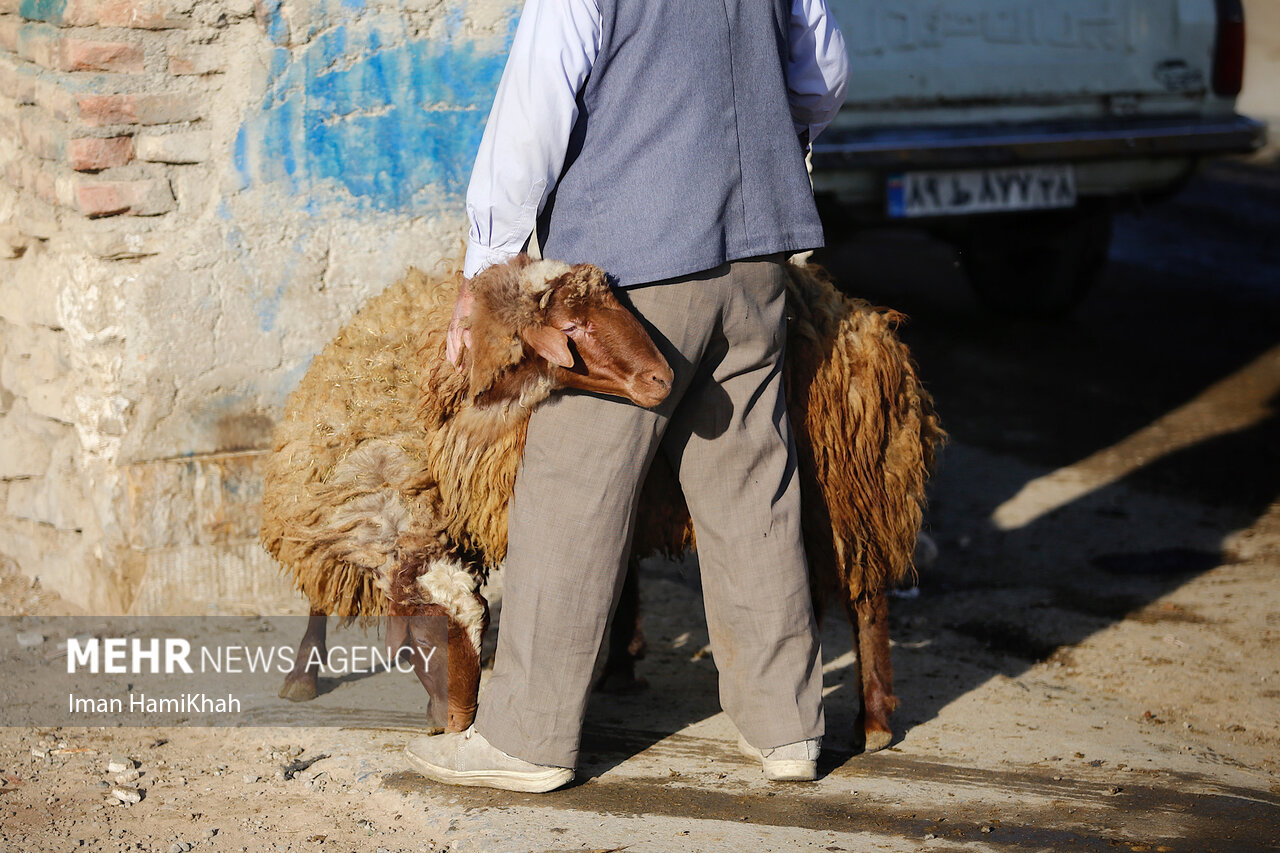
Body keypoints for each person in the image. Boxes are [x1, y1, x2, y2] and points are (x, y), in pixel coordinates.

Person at [404, 0, 850, 792]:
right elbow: (821, 75)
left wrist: (490, 263)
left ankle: (527, 742)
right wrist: (780, 150)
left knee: (572, 488)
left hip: (629, 275)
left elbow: (535, 103)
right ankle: (786, 728)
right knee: (753, 482)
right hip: (756, 254)